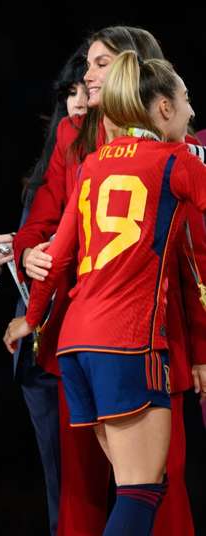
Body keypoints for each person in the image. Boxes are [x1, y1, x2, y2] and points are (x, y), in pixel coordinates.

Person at [13, 27, 203, 535]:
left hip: (78, 339)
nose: (88, 75)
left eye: (100, 64)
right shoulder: (176, 157)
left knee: (138, 487)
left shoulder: (96, 160)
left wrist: (30, 319)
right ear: (162, 104)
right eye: (186, 101)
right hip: (132, 342)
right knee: (139, 490)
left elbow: (56, 255)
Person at [0, 45, 88, 536]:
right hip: (37, 357)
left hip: (82, 345)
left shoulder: (114, 167)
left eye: (90, 89)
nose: (80, 102)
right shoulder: (48, 170)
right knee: (60, 496)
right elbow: (32, 246)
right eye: (71, 92)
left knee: (100, 495)